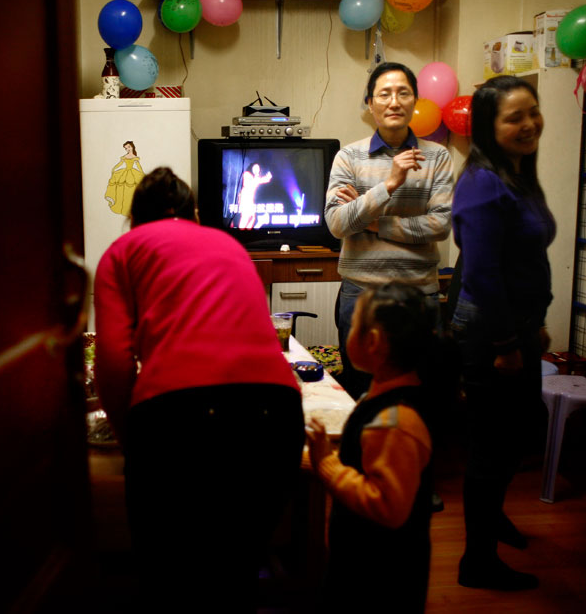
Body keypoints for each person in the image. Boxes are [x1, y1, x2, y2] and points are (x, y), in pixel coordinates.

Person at [93, 167, 305, 613]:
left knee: (170, 575)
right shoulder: (229, 244)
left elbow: (111, 363)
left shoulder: (122, 250)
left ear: (134, 218)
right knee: (237, 568)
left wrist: (133, 442)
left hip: (178, 413)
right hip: (278, 411)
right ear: (192, 213)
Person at [450, 75, 555, 591]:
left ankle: (491, 517)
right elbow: (483, 274)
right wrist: (506, 345)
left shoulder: (517, 175)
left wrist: (534, 325)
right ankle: (477, 561)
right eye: (514, 117)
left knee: (521, 432)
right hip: (491, 331)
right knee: (493, 446)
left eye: (532, 111)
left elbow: (525, 259)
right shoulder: (481, 183)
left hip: (518, 326)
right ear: (489, 129)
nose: (529, 123)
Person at [324, 62, 454, 399]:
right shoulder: (348, 157)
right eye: (384, 94)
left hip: (419, 296)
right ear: (370, 104)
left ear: (415, 101)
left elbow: (439, 224)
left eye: (403, 93)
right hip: (361, 294)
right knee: (359, 391)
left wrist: (371, 221)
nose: (394, 101)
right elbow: (337, 224)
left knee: (420, 394)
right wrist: (390, 184)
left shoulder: (437, 157)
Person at [306, 283, 438, 612]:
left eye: (353, 325)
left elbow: (387, 507)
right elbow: (368, 460)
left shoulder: (396, 422)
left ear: (373, 342)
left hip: (381, 573)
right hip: (359, 555)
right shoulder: (380, 395)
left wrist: (329, 466)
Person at [104, 140, 144, 215]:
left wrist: (142, 173)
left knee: (131, 189)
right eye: (126, 148)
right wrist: (114, 168)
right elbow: (120, 163)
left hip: (132, 173)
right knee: (122, 189)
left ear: (132, 147)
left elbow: (138, 166)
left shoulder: (135, 157)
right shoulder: (125, 157)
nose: (128, 149)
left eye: (128, 147)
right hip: (124, 173)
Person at [237, 161, 273, 229]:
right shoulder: (247, 174)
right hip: (245, 199)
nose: (257, 169)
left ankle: (247, 231)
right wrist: (262, 178)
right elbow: (248, 183)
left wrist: (268, 177)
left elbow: (262, 180)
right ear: (251, 168)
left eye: (258, 168)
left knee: (252, 217)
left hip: (250, 200)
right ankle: (240, 231)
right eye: (255, 168)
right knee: (245, 217)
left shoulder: (256, 178)